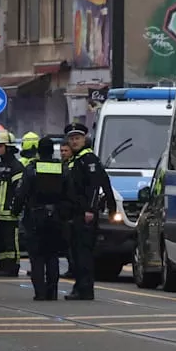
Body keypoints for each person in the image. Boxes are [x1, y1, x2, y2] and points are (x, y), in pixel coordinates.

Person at [62, 123, 111, 300]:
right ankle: (80, 286)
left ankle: (85, 288)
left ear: (84, 139)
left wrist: (90, 209)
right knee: (76, 251)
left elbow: (94, 186)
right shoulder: (76, 159)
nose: (74, 142)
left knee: (83, 253)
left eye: (77, 138)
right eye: (72, 139)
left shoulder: (87, 159)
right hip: (75, 213)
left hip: (85, 214)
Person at [14, 136, 66, 301]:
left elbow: (21, 193)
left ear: (38, 151)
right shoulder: (62, 168)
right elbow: (69, 193)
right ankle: (52, 292)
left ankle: (40, 292)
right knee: (52, 256)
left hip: (35, 217)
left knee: (37, 258)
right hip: (56, 217)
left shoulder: (31, 169)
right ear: (53, 151)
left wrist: (16, 210)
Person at [0, 131, 25, 277]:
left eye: (0, 146)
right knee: (2, 243)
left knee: (11, 241)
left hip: (10, 212)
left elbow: (19, 190)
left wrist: (15, 208)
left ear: (8, 147)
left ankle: (12, 267)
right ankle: (3, 266)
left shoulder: (16, 167)